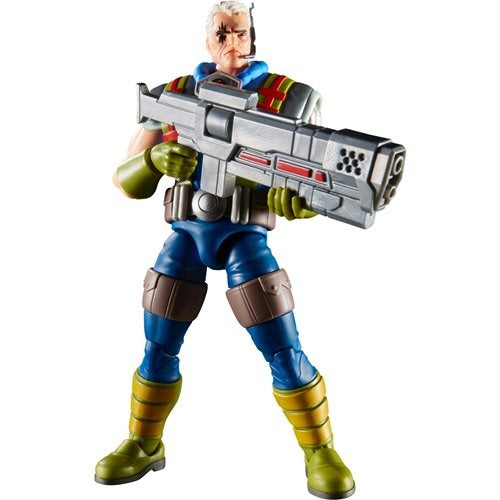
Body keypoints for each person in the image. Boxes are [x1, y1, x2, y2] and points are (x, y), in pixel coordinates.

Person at [95, 2, 355, 498]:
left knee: (282, 347)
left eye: (240, 33)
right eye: (222, 32)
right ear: (207, 39)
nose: (232, 42)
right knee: (158, 345)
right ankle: (144, 441)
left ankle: (319, 449)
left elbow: (315, 178)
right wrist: (153, 159)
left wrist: (300, 203)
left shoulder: (287, 99)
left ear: (253, 38)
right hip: (187, 232)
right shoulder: (175, 94)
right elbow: (124, 180)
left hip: (243, 235)